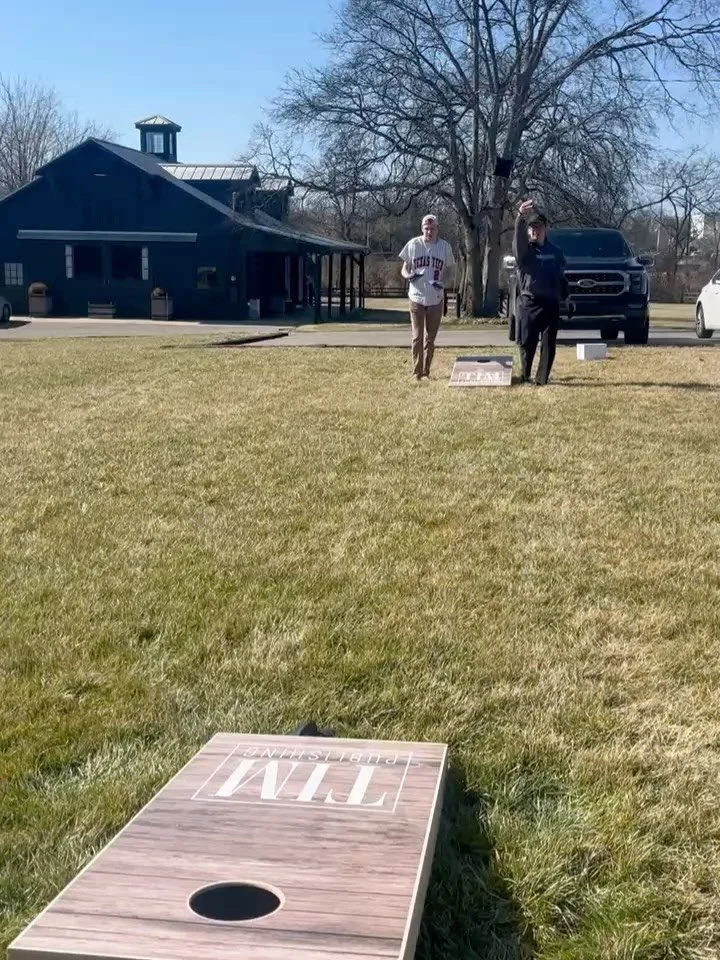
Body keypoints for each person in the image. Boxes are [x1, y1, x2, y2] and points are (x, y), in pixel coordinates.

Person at [513, 200, 568, 385]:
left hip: (550, 304)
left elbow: (561, 276)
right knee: (527, 343)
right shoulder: (525, 252)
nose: (535, 231)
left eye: (539, 227)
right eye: (532, 228)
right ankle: (525, 375)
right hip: (529, 303)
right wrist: (520, 218)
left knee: (548, 345)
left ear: (546, 229)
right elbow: (518, 239)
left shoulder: (556, 252)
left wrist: (566, 296)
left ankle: (541, 379)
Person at [398, 215, 455, 380]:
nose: (429, 231)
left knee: (430, 338)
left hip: (436, 298)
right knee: (417, 336)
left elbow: (450, 270)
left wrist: (443, 283)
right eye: (426, 228)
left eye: (432, 228)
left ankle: (426, 371)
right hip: (416, 296)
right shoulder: (413, 244)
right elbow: (404, 269)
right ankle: (416, 372)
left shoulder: (444, 247)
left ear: (437, 229)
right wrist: (409, 276)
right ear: (422, 228)